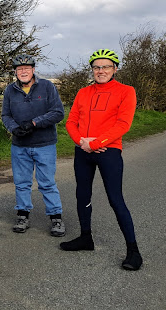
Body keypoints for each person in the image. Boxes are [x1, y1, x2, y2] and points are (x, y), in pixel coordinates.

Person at [60, 49, 142, 270]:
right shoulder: (83, 92)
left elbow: (123, 124)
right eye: (97, 67)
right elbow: (71, 122)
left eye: (106, 66)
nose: (101, 71)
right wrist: (81, 142)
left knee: (116, 199)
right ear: (92, 70)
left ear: (115, 69)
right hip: (83, 151)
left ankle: (133, 251)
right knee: (82, 195)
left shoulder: (126, 91)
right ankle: (86, 237)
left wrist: (95, 143)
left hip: (109, 151)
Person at [1, 54, 66, 236]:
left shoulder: (46, 86)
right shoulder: (10, 90)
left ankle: (56, 218)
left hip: (44, 143)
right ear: (15, 72)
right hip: (20, 145)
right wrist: (13, 128)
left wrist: (34, 123)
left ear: (33, 70)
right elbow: (5, 115)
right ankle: (23, 215)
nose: (23, 71)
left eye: (27, 68)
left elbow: (58, 113)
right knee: (22, 183)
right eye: (20, 69)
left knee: (47, 183)